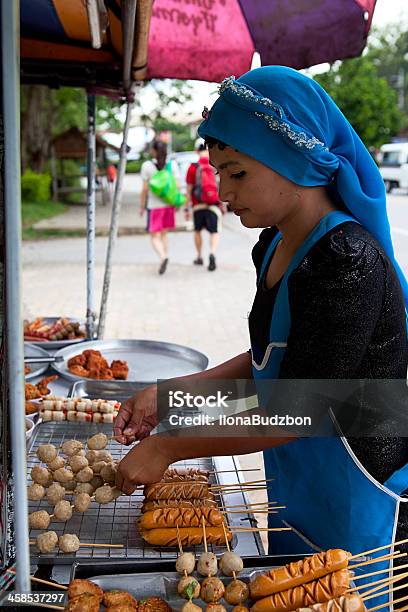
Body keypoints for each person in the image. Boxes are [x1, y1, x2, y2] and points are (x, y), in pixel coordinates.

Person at [115, 67, 408, 594]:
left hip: (360, 485)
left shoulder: (345, 258)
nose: (222, 190)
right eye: (218, 173)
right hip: (300, 475)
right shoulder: (273, 244)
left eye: (237, 173)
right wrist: (172, 399)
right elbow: (268, 365)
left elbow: (305, 406)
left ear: (290, 160)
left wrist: (173, 446)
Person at [140, 140, 178, 275]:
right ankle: (165, 256)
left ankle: (163, 257)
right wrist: (176, 203)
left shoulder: (147, 166)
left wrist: (142, 206)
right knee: (164, 234)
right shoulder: (171, 165)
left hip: (154, 206)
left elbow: (144, 189)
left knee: (154, 236)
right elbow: (176, 186)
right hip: (168, 205)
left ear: (153, 151)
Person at [185, 139, 224, 271]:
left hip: (198, 206)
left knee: (197, 231)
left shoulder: (193, 167)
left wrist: (187, 206)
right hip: (213, 204)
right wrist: (223, 204)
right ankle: (212, 253)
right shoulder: (215, 165)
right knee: (214, 232)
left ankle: (199, 256)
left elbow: (189, 189)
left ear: (197, 151)